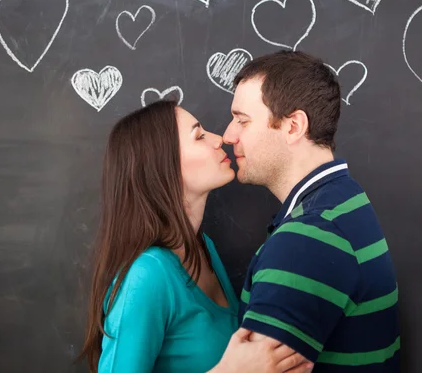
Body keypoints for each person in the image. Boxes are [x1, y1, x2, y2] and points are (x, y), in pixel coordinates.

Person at [77, 99, 312, 373]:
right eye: (199, 136)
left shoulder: (203, 248)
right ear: (163, 166)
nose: (219, 139)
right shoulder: (146, 277)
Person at [220, 50, 401, 372]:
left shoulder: (306, 240)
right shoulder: (345, 198)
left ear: (293, 126)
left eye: (242, 121)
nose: (228, 135)